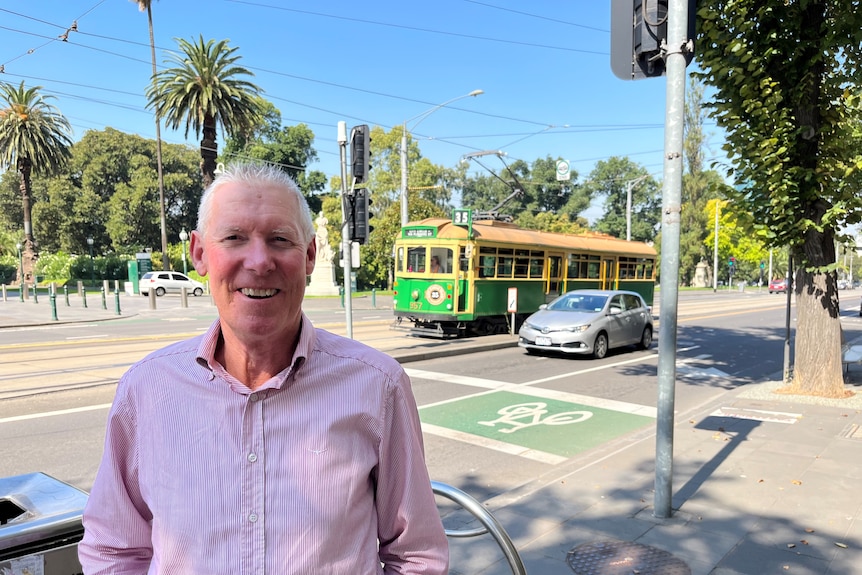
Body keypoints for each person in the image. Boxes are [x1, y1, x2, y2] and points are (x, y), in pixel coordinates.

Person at [79, 162, 448, 574]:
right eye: (234, 237)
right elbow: (114, 549)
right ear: (199, 253)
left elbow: (416, 557)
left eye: (279, 239)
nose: (258, 262)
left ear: (309, 256)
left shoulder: (377, 386)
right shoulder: (145, 390)